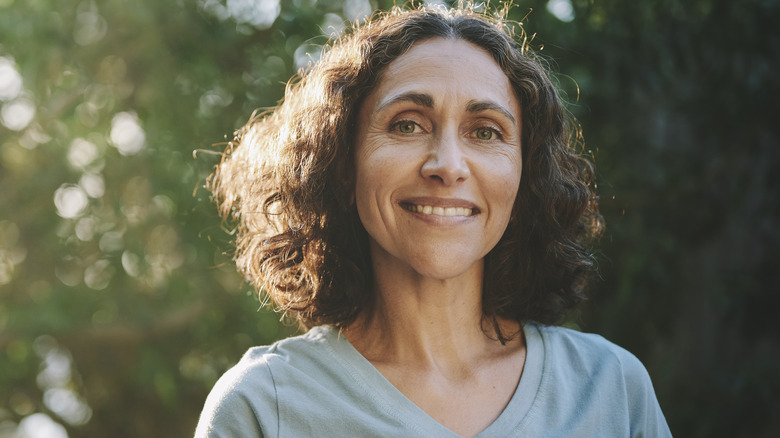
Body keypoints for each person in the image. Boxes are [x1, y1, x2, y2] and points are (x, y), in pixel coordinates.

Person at [195, 3, 671, 437]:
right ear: (342, 164)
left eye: (485, 132)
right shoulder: (263, 407)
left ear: (525, 175)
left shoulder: (611, 390)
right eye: (407, 124)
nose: (448, 164)